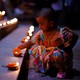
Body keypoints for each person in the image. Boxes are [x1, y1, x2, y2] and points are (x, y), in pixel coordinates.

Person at [13, 8, 78, 79]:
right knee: (36, 49)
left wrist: (67, 48)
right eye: (38, 24)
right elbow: (31, 42)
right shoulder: (41, 33)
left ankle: (61, 71)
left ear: (51, 24)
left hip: (59, 57)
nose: (39, 26)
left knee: (56, 55)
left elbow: (74, 37)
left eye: (42, 24)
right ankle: (47, 67)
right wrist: (19, 48)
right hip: (48, 55)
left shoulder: (61, 33)